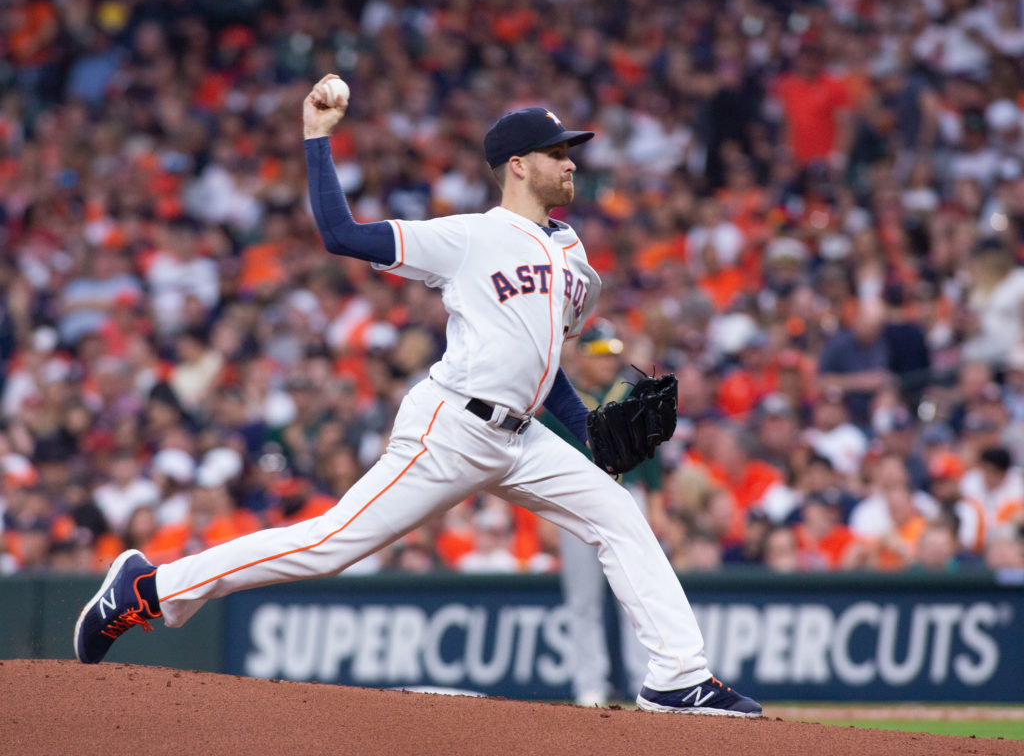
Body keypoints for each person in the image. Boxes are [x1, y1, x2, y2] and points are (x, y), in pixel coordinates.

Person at [73, 75, 761, 718]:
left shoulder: (574, 257)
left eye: (570, 151)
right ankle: (149, 589)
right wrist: (317, 134)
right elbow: (340, 234)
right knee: (332, 543)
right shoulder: (468, 236)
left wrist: (586, 434)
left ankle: (677, 677)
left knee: (619, 514)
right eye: (557, 152)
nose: (571, 162)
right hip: (451, 427)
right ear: (517, 165)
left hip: (521, 438)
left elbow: (539, 359)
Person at [538, 319, 650, 707]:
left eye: (614, 353)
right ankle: (590, 686)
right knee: (583, 600)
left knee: (637, 594)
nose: (608, 361)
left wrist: (659, 498)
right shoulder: (560, 399)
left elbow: (651, 454)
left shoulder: (630, 391)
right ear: (582, 354)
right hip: (572, 501)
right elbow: (539, 460)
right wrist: (545, 514)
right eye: (601, 353)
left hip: (628, 495)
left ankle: (644, 680)